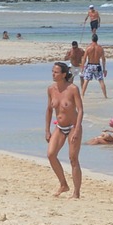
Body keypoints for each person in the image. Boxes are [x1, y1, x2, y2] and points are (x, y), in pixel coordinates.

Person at [44, 62, 85, 199]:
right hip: (59, 127)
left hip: (73, 126)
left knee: (73, 159)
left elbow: (80, 110)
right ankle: (63, 184)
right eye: (52, 71)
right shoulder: (51, 89)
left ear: (63, 74)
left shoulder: (73, 89)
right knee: (51, 154)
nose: (53, 74)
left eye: (56, 72)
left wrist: (78, 128)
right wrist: (47, 130)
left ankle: (76, 193)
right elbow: (49, 110)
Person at [80, 33, 110, 98]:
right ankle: (105, 96)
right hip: (97, 65)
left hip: (90, 65)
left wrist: (82, 67)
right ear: (97, 39)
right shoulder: (100, 48)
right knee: (101, 81)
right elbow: (103, 59)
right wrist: (104, 69)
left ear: (92, 39)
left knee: (86, 81)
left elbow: (84, 58)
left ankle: (82, 95)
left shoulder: (88, 48)